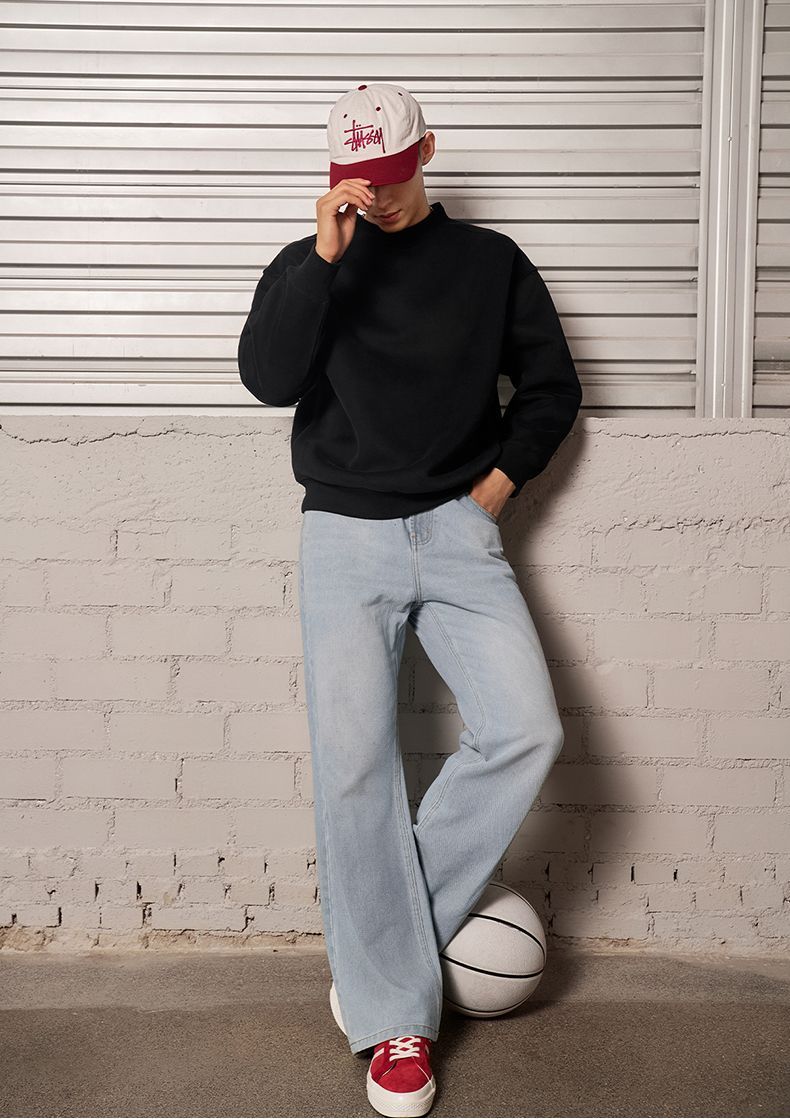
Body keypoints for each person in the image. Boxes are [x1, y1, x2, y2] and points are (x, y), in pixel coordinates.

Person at [238, 82, 582, 1119]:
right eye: (358, 181)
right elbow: (267, 378)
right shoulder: (312, 263)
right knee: (355, 770)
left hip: (459, 528)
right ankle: (396, 1020)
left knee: (526, 729)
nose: (376, 197)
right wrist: (321, 260)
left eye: (391, 176)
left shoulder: (490, 262)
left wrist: (497, 487)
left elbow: (552, 387)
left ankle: (382, 951)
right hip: (343, 535)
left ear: (426, 153)